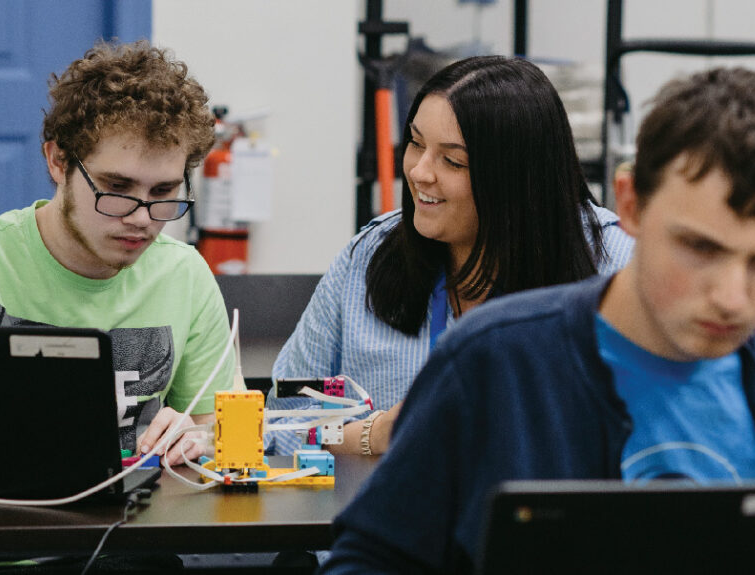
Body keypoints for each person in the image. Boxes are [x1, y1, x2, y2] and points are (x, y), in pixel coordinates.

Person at [317, 66, 755, 573]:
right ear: (632, 205)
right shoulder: (495, 362)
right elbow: (369, 560)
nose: (733, 298)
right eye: (698, 249)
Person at [267, 56, 635, 456]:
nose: (420, 172)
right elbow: (284, 422)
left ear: (517, 179)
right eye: (415, 143)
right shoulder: (369, 256)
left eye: (452, 161)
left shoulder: (617, 269)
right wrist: (373, 435)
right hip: (399, 512)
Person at [0, 40, 234, 466]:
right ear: (58, 161)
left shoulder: (183, 274)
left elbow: (224, 431)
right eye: (116, 188)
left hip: (138, 527)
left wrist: (201, 437)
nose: (142, 218)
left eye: (163, 192)